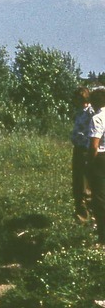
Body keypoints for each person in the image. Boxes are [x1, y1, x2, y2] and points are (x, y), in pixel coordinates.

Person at [71, 87, 95, 222]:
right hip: (78, 149)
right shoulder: (79, 112)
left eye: (77, 98)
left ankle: (89, 215)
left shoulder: (91, 112)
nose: (75, 100)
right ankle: (80, 214)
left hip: (86, 150)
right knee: (78, 182)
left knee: (86, 183)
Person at [87, 87, 105, 245]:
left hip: (101, 158)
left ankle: (102, 236)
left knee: (99, 198)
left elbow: (94, 145)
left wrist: (89, 162)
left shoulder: (97, 118)